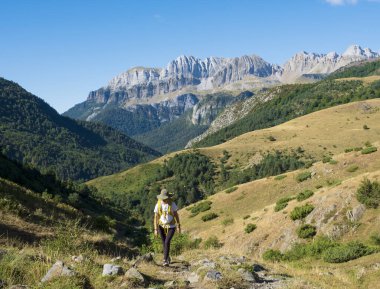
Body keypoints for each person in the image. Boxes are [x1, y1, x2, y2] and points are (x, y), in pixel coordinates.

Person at [153, 188, 181, 266]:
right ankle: (167, 257)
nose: (164, 200)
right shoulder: (158, 204)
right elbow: (156, 217)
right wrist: (155, 229)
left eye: (165, 199)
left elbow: (176, 215)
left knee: (167, 241)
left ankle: (165, 260)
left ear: (168, 198)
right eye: (162, 199)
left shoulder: (172, 204)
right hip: (161, 226)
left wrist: (178, 226)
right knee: (164, 243)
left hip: (171, 226)